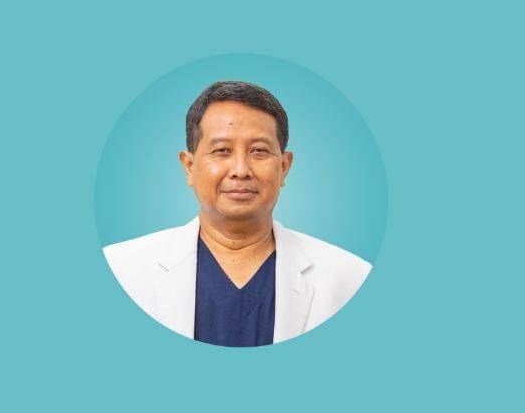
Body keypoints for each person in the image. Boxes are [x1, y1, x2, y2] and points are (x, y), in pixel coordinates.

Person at [103, 80, 372, 347]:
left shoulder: (348, 277)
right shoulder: (121, 270)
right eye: (222, 151)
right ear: (189, 167)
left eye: (259, 151)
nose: (241, 170)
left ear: (284, 167)